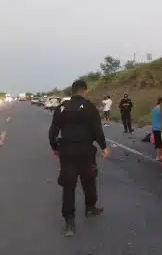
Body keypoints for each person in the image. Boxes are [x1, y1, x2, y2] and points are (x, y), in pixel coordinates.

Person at [48, 79, 109, 237]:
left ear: (72, 91)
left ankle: (69, 222)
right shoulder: (89, 107)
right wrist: (104, 147)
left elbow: (53, 131)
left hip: (66, 151)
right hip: (85, 151)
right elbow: (97, 130)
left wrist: (55, 148)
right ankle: (90, 208)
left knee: (68, 185)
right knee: (89, 179)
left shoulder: (61, 108)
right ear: (85, 91)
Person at [151, 96, 162, 161]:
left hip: (155, 128)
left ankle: (158, 156)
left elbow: (153, 119)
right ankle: (161, 155)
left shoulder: (154, 109)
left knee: (158, 143)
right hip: (161, 128)